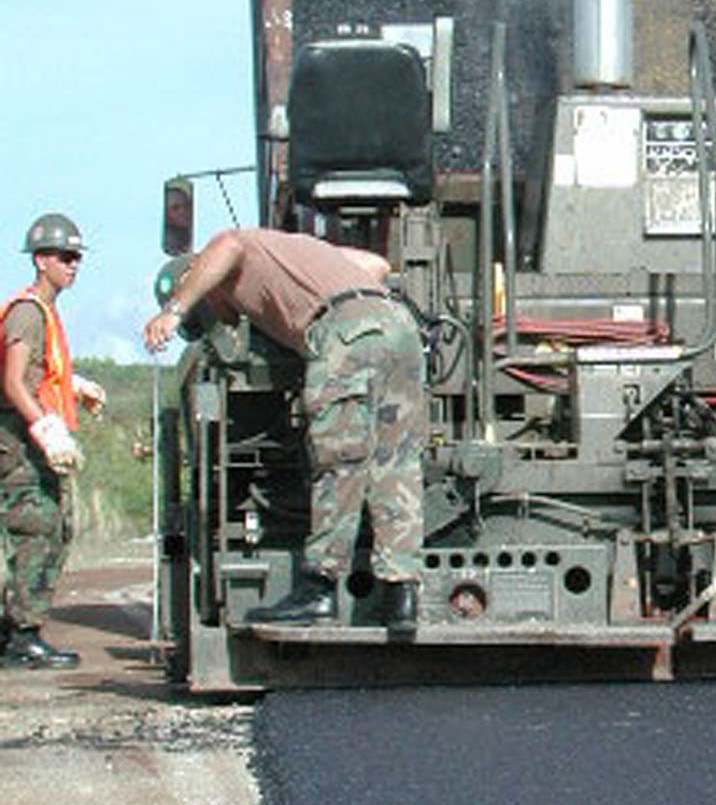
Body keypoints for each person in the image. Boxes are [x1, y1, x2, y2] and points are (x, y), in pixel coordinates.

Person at [143, 228, 426, 631]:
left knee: (340, 461)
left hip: (343, 332)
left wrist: (174, 310)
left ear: (199, 276)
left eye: (204, 313)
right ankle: (402, 598)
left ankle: (318, 591)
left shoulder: (233, 251)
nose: (222, 322)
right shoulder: (293, 251)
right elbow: (377, 266)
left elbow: (228, 244)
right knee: (396, 462)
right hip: (400, 329)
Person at [0, 214, 103, 669]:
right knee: (38, 531)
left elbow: (38, 374)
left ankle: (14, 631)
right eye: (65, 257)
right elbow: (13, 381)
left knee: (51, 528)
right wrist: (46, 429)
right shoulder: (28, 312)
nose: (73, 264)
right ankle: (23, 636)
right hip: (20, 446)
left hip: (26, 442)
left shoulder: (43, 311)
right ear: (41, 260)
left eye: (76, 257)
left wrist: (72, 386)